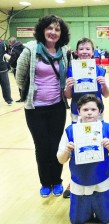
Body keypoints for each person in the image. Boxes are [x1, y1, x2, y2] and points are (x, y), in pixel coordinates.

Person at [16, 15, 70, 197]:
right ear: (42, 30)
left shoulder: (64, 51)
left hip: (57, 106)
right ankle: (45, 182)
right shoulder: (31, 49)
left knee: (56, 145)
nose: (53, 32)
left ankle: (57, 180)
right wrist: (32, 93)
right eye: (50, 28)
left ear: (61, 33)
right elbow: (20, 77)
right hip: (35, 108)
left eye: (57, 29)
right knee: (42, 146)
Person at [57, 94, 109, 224]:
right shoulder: (70, 131)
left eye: (93, 109)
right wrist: (66, 151)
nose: (89, 113)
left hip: (101, 180)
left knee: (106, 219)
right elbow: (61, 159)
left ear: (100, 111)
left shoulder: (107, 129)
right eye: (85, 110)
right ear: (78, 111)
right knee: (77, 221)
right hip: (79, 180)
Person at [64, 37, 109, 123]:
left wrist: (104, 85)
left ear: (93, 52)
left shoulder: (100, 71)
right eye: (81, 49)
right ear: (76, 52)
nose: (84, 51)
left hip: (96, 112)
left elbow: (106, 95)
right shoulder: (70, 71)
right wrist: (69, 86)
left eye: (88, 49)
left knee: (97, 135)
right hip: (77, 113)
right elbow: (68, 96)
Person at [5, 36, 25, 102]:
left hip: (17, 67)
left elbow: (13, 58)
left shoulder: (15, 49)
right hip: (23, 67)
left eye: (9, 42)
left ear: (11, 42)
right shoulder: (21, 46)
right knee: (24, 82)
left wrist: (7, 65)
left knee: (20, 83)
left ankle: (22, 97)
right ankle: (24, 97)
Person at [0, 39, 13, 105]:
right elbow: (8, 54)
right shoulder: (3, 44)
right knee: (5, 85)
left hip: (2, 67)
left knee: (5, 85)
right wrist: (8, 65)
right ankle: (9, 100)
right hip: (2, 67)